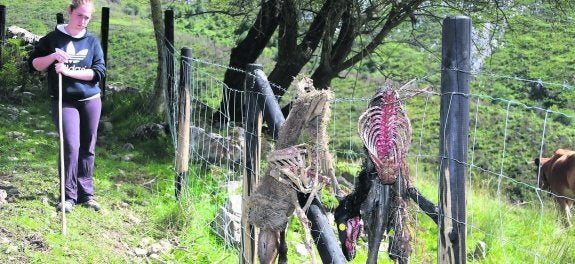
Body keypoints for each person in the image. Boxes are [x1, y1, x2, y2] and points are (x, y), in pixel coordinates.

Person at [29, 0, 105, 212]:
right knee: (71, 145)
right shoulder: (53, 39)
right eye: (80, 15)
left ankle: (86, 195)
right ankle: (68, 196)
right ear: (70, 12)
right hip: (64, 100)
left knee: (88, 147)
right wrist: (52, 57)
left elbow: (98, 72)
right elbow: (35, 64)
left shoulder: (91, 42)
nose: (83, 21)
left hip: (91, 100)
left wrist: (68, 72)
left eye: (87, 17)